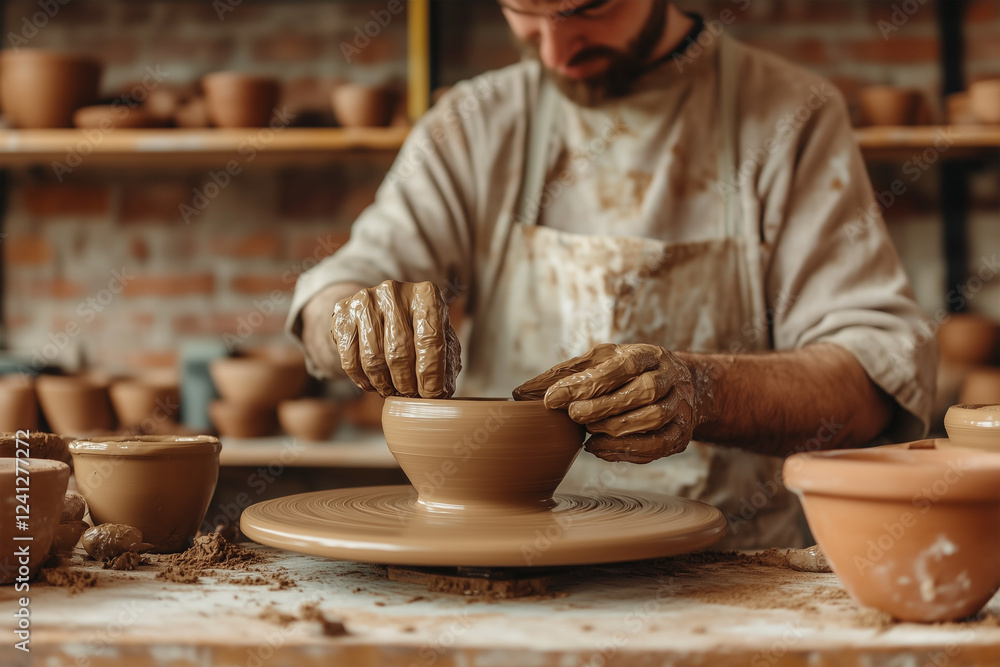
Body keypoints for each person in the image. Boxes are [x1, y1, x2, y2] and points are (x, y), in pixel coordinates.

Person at [287, 0, 936, 548]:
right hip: (498, 561)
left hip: (723, 570)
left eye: (587, 11)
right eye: (524, 14)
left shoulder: (790, 116)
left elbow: (874, 376)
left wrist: (701, 388)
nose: (556, 52)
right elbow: (338, 287)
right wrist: (351, 315)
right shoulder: (477, 123)